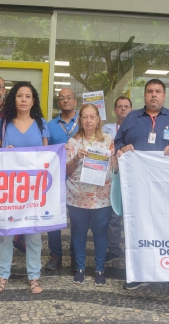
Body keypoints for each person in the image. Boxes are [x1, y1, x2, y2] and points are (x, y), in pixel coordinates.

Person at [115, 79, 169, 301]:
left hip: (168, 189)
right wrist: (123, 148)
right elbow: (118, 142)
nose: (154, 95)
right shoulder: (132, 118)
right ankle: (139, 273)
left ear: (164, 96)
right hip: (138, 188)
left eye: (158, 91)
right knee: (138, 228)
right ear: (144, 95)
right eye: (150, 91)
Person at [0, 81, 49, 295]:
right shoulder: (3, 123)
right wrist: (5, 152)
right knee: (5, 233)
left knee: (33, 234)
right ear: (13, 99)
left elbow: (47, 157)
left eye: (28, 96)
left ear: (33, 101)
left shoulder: (42, 124)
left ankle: (34, 276)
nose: (23, 100)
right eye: (20, 96)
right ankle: (2, 275)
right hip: (7, 188)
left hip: (33, 188)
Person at [66, 104, 116, 286]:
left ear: (97, 120)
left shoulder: (108, 140)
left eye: (92, 117)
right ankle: (80, 268)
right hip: (77, 195)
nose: (88, 120)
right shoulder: (73, 142)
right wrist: (76, 158)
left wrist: (116, 159)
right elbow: (66, 169)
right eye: (85, 117)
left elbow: (114, 166)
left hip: (100, 196)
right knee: (78, 233)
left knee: (100, 234)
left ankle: (99, 269)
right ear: (80, 120)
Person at [44, 88, 79, 271]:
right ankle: (55, 254)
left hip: (79, 178)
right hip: (56, 177)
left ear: (75, 100)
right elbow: (44, 151)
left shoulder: (84, 122)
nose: (65, 101)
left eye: (69, 97)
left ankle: (76, 254)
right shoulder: (50, 125)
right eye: (61, 99)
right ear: (58, 103)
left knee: (77, 219)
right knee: (53, 217)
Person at [102, 96, 132, 263]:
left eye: (126, 106)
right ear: (114, 110)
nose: (123, 109)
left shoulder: (138, 127)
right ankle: (114, 249)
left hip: (133, 176)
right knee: (113, 214)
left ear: (131, 109)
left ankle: (132, 247)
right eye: (119, 106)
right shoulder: (107, 129)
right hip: (112, 174)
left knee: (132, 214)